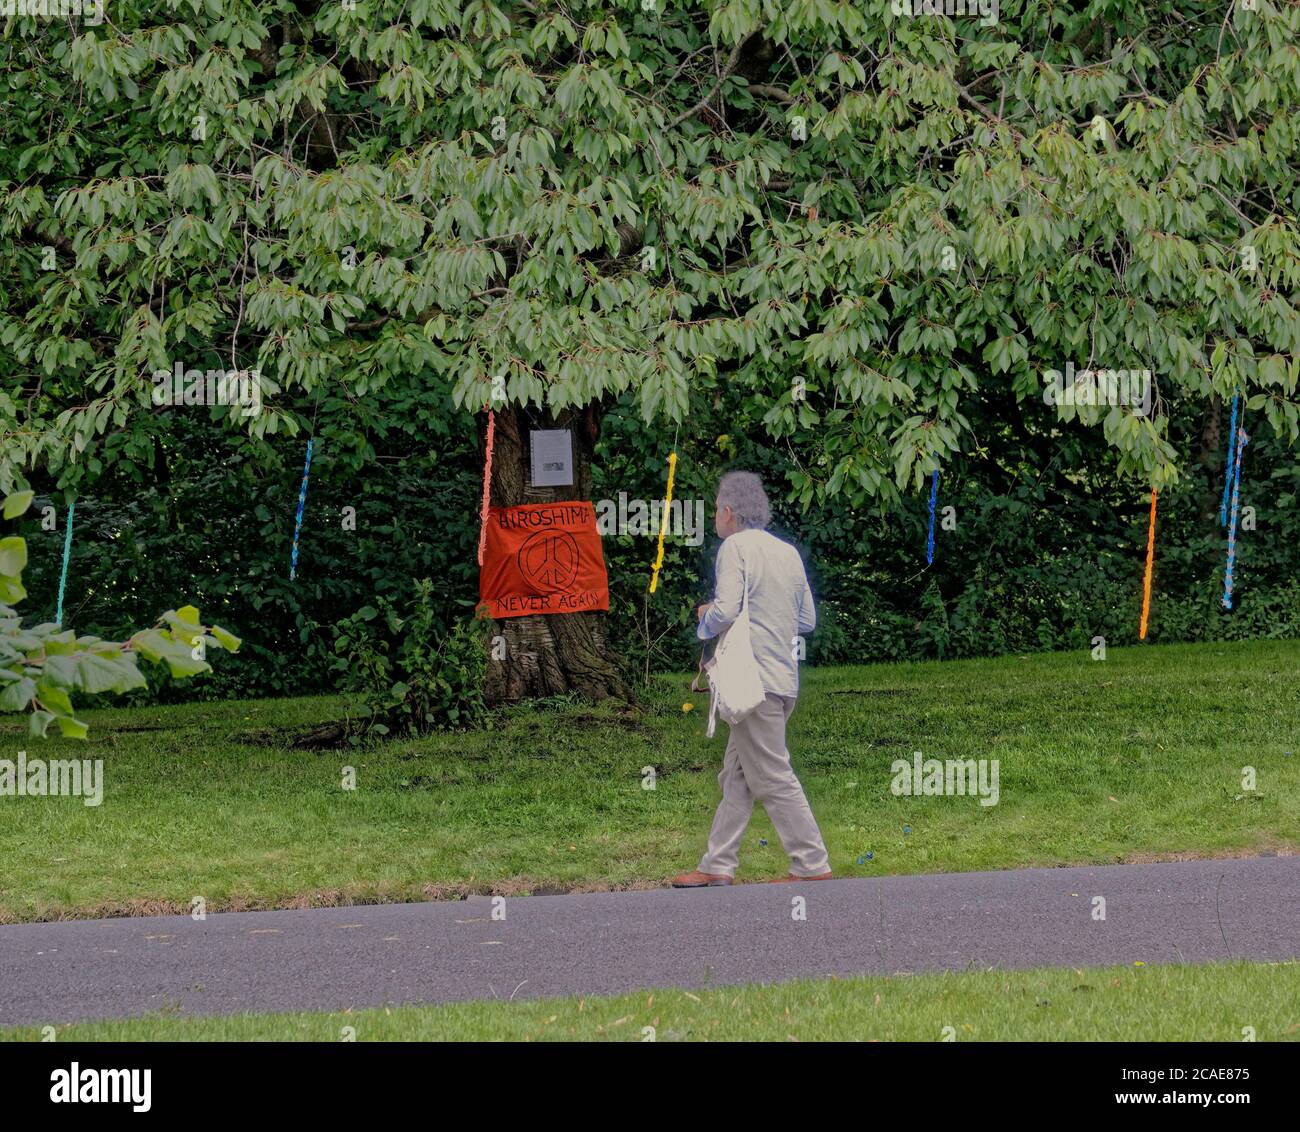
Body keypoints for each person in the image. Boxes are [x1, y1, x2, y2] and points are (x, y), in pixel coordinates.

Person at [672, 471, 832, 887]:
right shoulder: (787, 552)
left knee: (773, 775)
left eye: (715, 510)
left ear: (728, 511)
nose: (713, 519)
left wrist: (705, 619)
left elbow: (725, 610)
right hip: (781, 680)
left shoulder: (734, 548)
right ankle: (716, 865)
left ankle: (811, 865)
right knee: (737, 777)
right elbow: (807, 620)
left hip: (750, 681)